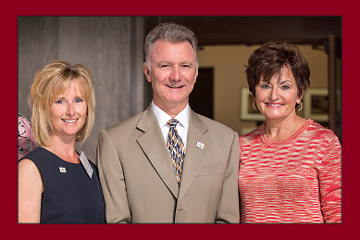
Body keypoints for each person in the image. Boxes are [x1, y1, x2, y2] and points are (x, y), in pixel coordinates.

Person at [95, 22, 240, 223]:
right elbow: (117, 222)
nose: (176, 76)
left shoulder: (226, 140)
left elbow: (227, 220)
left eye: (185, 66)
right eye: (165, 65)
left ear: (196, 73)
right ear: (147, 72)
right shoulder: (114, 142)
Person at [239, 41, 342, 223]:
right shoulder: (241, 145)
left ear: (300, 94)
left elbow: (337, 213)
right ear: (254, 94)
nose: (274, 95)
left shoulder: (324, 142)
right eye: (265, 86)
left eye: (285, 86)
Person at [18, 60, 105, 223]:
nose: (71, 111)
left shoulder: (90, 169)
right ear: (45, 108)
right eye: (60, 101)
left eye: (78, 100)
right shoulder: (30, 169)